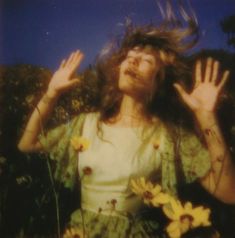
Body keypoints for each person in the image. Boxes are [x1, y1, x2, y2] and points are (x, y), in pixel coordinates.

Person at [18, 22, 235, 237]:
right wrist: (51, 94)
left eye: (146, 60)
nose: (133, 60)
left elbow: (229, 192)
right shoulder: (85, 124)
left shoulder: (170, 136)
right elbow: (27, 144)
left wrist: (206, 116)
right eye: (129, 56)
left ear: (159, 81)